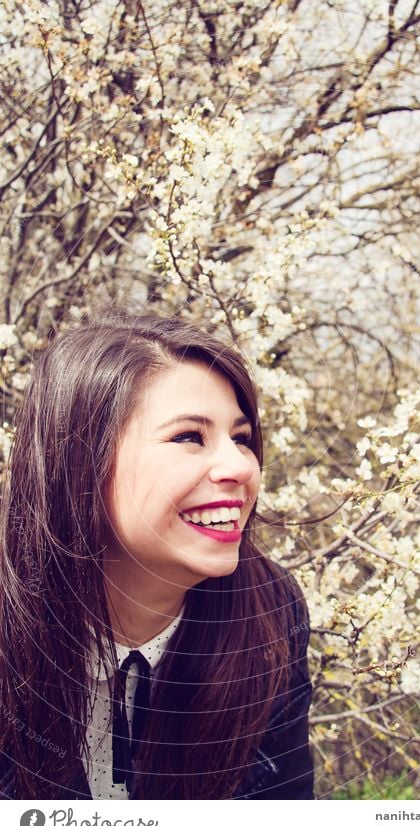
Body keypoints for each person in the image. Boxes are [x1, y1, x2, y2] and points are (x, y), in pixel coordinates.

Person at [0, 312, 314, 800]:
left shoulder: (270, 610)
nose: (239, 466)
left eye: (242, 438)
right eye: (189, 436)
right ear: (81, 461)